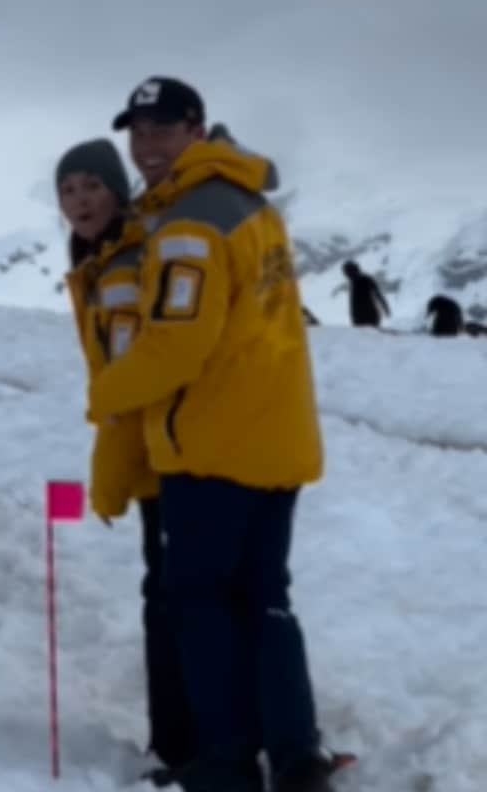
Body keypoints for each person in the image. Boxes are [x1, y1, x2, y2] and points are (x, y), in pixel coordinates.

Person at [91, 77, 333, 792]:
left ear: (197, 131)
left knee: (198, 602)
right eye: (136, 131)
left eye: (163, 129)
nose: (146, 145)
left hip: (211, 445)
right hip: (279, 439)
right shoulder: (252, 207)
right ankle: (296, 757)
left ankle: (226, 761)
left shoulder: (190, 224)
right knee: (265, 598)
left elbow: (174, 347)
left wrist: (105, 394)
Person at [58, 138, 194, 783]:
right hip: (152, 454)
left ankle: (185, 744)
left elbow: (145, 364)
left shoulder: (134, 258)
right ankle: (180, 739)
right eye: (68, 190)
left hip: (177, 452)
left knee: (179, 600)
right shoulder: (99, 260)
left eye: (91, 186)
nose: (79, 201)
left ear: (117, 189)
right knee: (168, 596)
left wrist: (115, 430)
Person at [342, 260, 390, 327]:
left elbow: (378, 295)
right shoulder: (357, 282)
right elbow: (378, 295)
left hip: (368, 317)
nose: (346, 275)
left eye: (347, 272)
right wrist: (386, 308)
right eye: (346, 272)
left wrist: (386, 308)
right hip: (363, 318)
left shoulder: (364, 280)